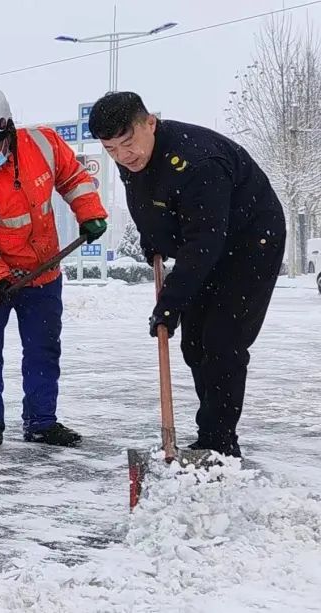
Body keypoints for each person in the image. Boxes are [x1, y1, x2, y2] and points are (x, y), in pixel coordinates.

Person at [89, 91, 286, 458]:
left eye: (128, 143)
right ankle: (210, 434)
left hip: (250, 241)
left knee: (223, 339)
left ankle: (219, 441)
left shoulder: (197, 162)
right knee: (194, 343)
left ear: (150, 123)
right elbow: (145, 201)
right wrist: (153, 240)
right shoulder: (131, 158)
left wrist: (170, 303)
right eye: (111, 149)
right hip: (206, 240)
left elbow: (204, 245)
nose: (122, 156)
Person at [0, 87, 108, 453]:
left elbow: (74, 178)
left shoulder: (44, 144)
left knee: (43, 349)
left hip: (42, 273)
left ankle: (41, 422)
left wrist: (90, 212)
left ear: (8, 128)